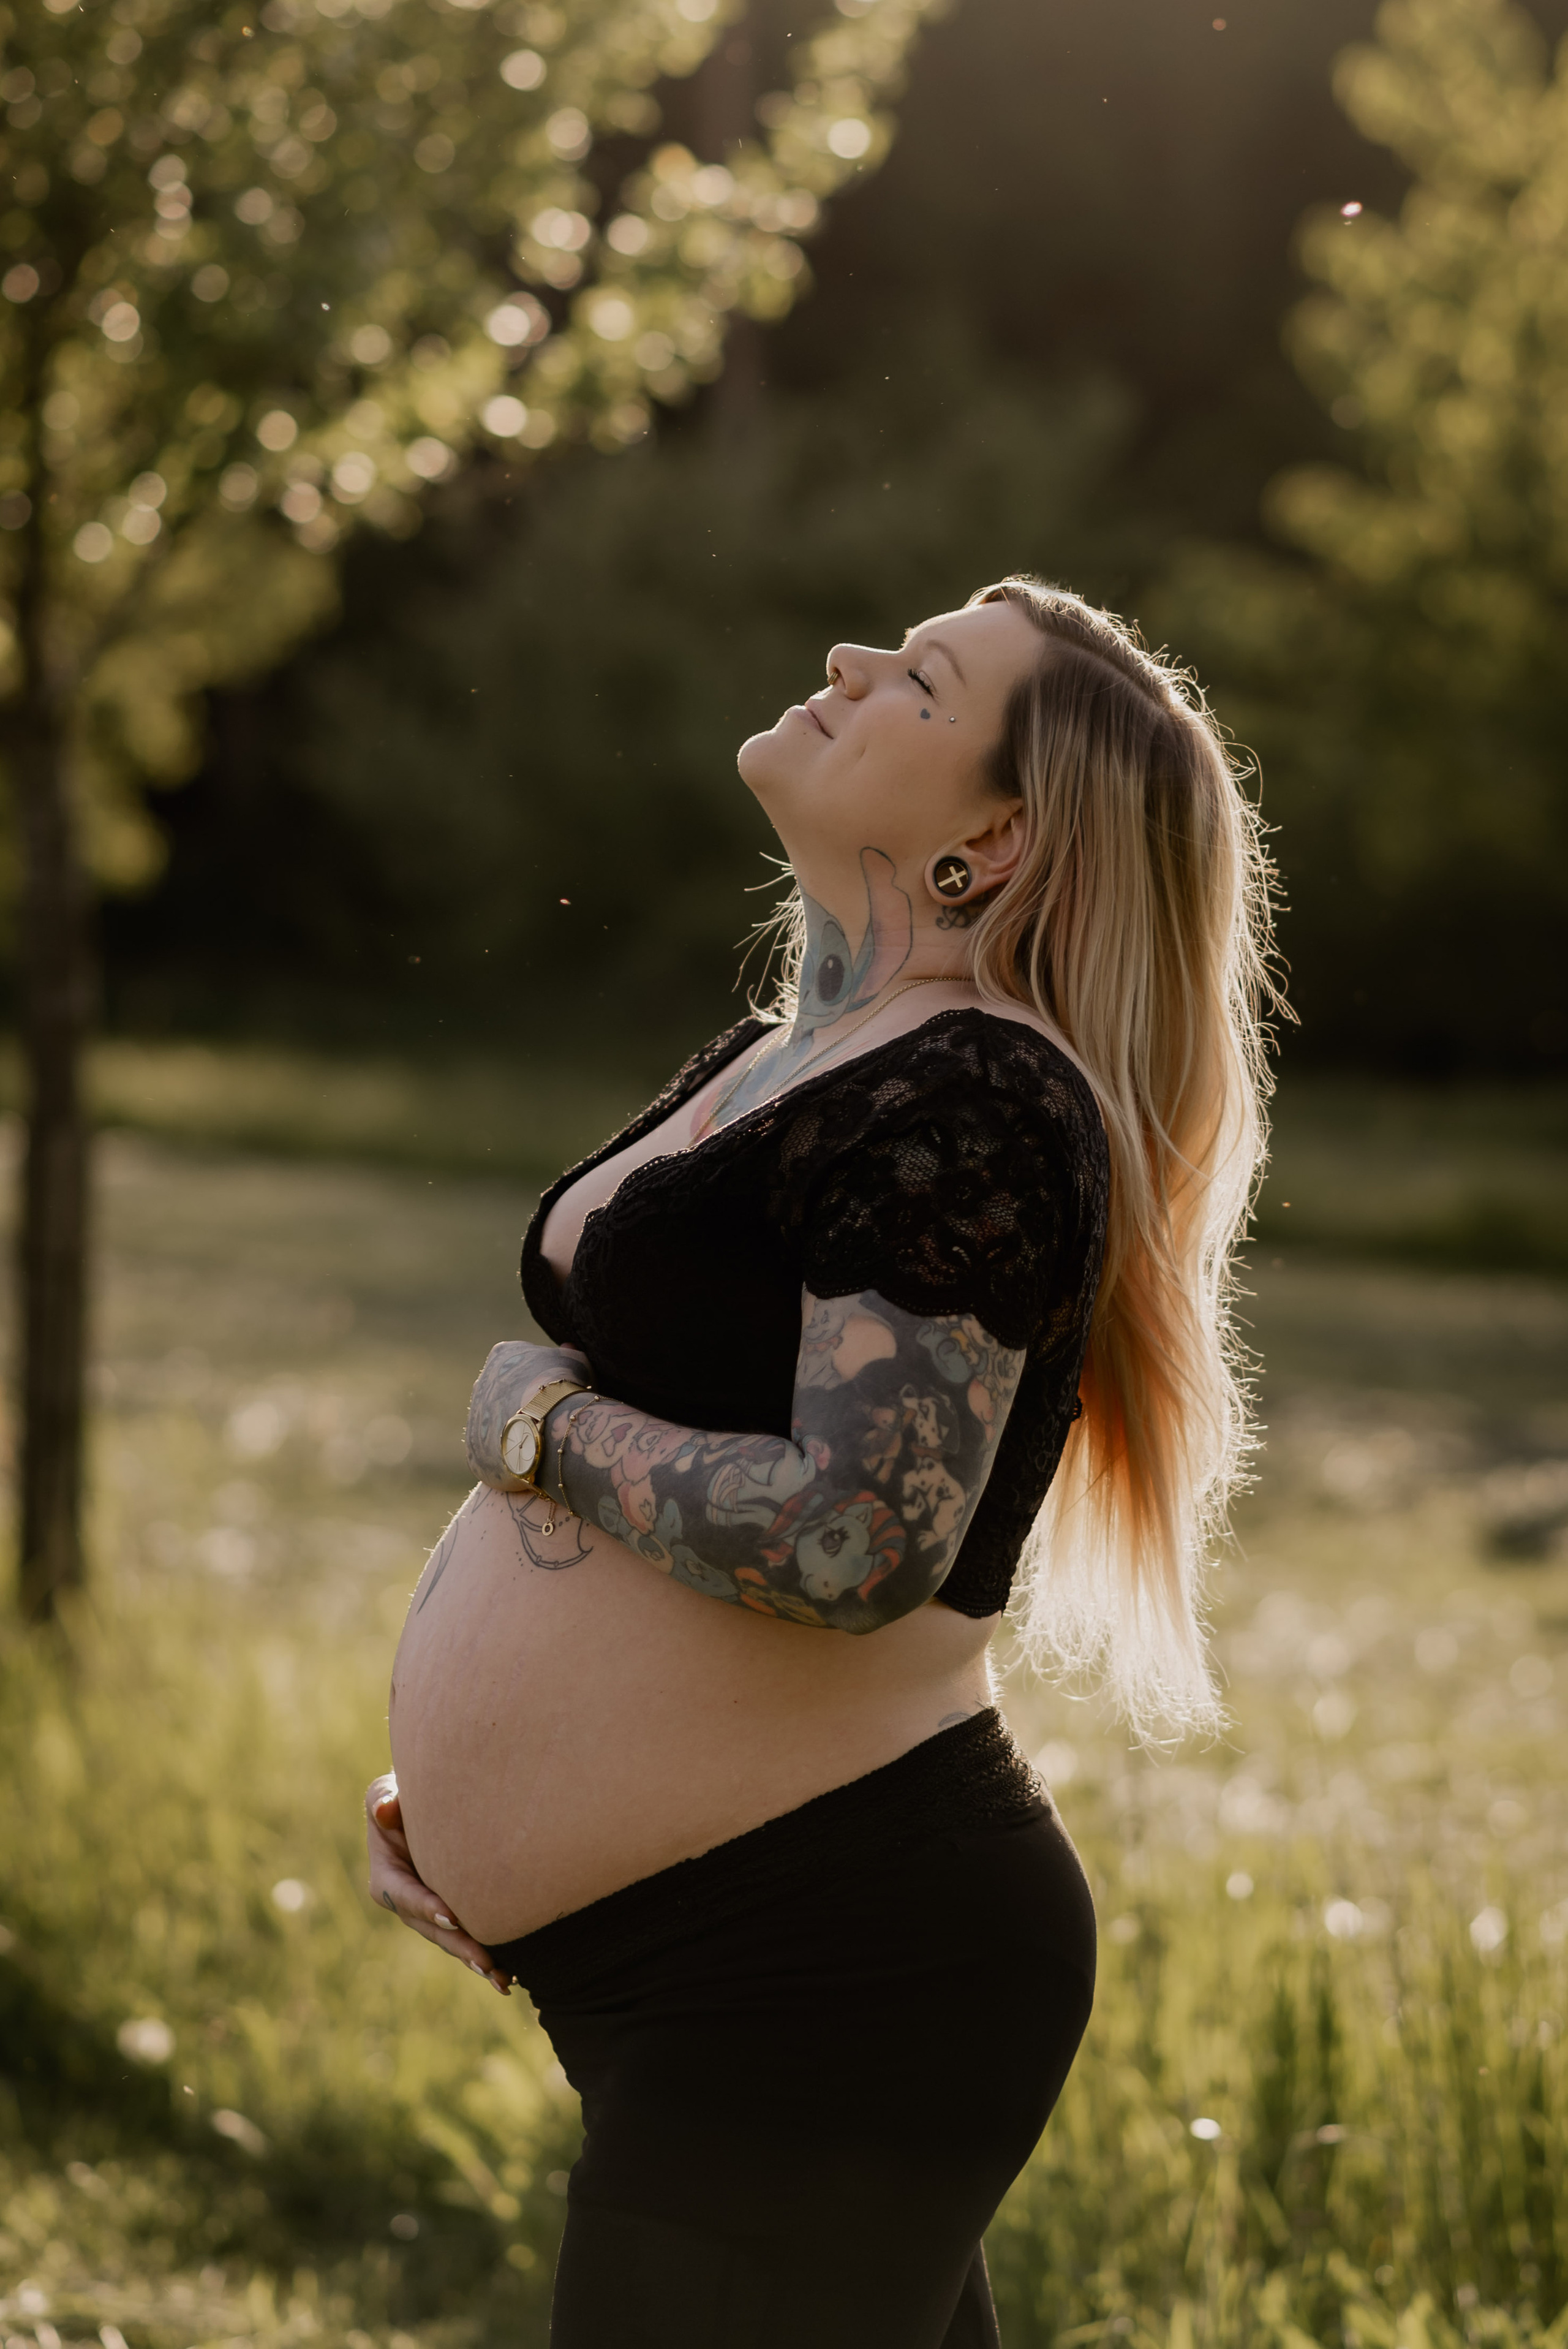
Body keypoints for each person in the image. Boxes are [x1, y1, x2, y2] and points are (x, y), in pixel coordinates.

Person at [364, 577, 1275, 2348]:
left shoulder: (977, 1101)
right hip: (713, 1950)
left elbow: (858, 1536)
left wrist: (539, 1429)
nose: (853, 662)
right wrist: (488, 1799)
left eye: (921, 681)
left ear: (991, 841)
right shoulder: (809, 1052)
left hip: (828, 1961)